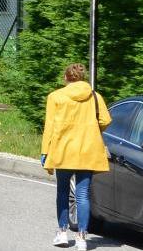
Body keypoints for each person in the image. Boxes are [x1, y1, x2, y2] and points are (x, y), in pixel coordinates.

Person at [41, 63, 111, 250]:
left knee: (63, 192)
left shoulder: (55, 97)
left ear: (66, 78)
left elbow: (50, 126)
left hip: (63, 150)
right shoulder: (95, 96)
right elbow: (105, 120)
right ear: (82, 78)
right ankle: (82, 238)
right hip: (87, 150)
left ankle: (63, 233)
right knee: (82, 195)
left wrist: (45, 152)